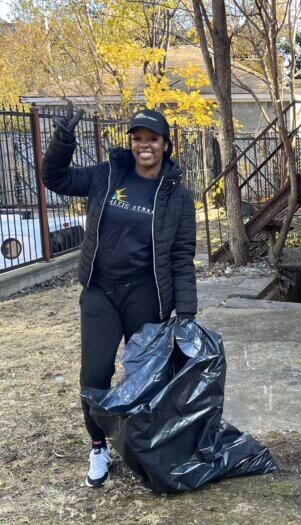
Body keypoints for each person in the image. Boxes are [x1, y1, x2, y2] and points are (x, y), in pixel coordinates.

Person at [41, 104, 197, 487]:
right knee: (95, 372)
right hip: (100, 291)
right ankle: (99, 446)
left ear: (165, 144)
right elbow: (55, 178)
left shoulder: (178, 196)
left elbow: (181, 256)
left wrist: (188, 313)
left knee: (145, 376)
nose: (145, 145)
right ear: (131, 143)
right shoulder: (107, 175)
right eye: (138, 138)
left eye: (153, 139)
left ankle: (145, 446)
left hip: (146, 294)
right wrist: (63, 139)